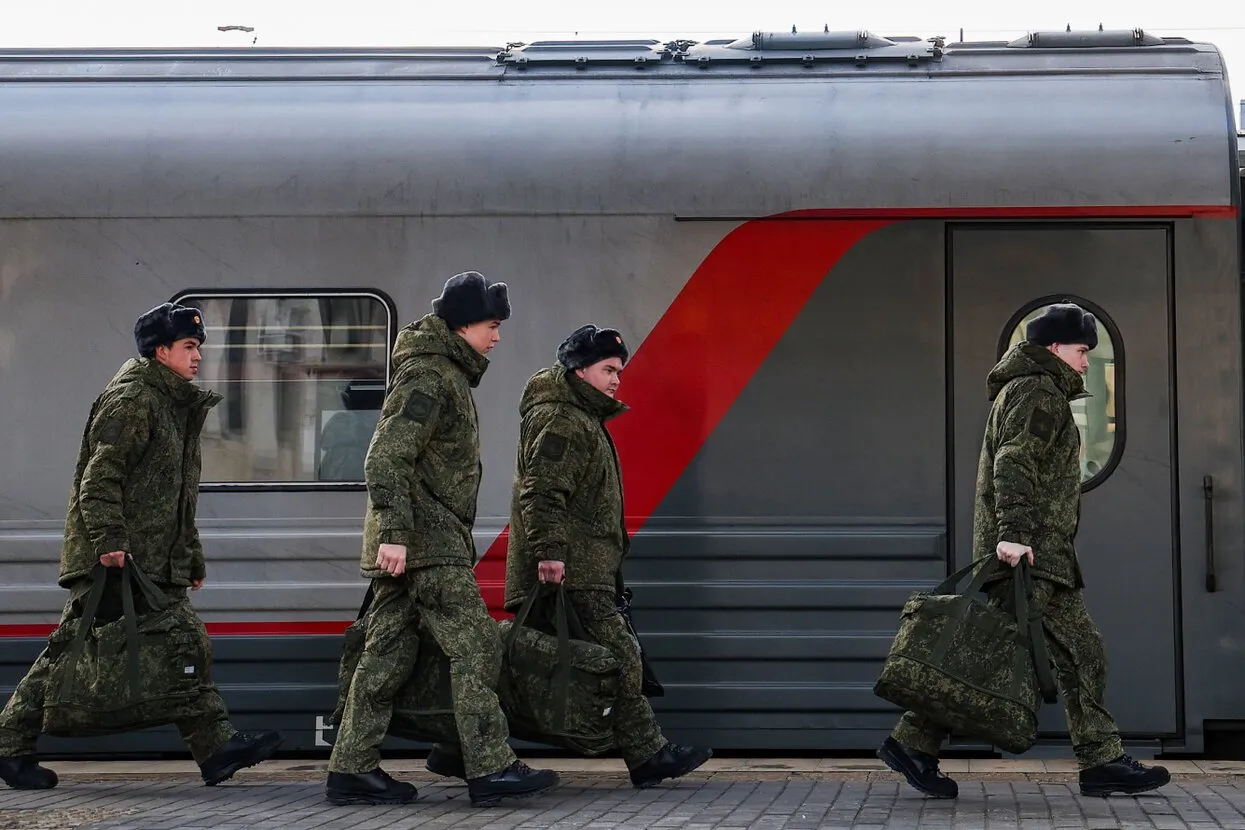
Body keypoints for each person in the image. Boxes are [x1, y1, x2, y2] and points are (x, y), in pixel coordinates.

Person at [877, 302, 1171, 799]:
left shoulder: (1029, 389)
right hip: (1031, 556)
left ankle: (913, 743)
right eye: (1081, 351)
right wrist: (1014, 534)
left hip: (1033, 555)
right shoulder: (1039, 391)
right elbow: (1015, 463)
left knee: (984, 653)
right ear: (1054, 348)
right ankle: (1100, 760)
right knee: (1083, 653)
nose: (1085, 362)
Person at [0, 302, 283, 790]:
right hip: (120, 559)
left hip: (152, 559)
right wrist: (109, 542)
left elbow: (176, 496)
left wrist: (189, 555)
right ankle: (8, 745)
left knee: (181, 642)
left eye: (199, 348)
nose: (198, 357)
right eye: (190, 347)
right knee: (75, 652)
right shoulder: (134, 400)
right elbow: (99, 479)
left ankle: (215, 747)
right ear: (161, 351)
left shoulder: (173, 405)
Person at [326, 271, 558, 808]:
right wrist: (394, 533)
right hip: (425, 543)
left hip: (421, 540)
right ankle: (488, 763)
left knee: (385, 655)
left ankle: (352, 768)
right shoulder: (431, 376)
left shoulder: (442, 372)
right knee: (477, 642)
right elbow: (385, 456)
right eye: (491, 326)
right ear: (463, 324)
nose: (497, 337)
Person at [498, 324, 713, 788]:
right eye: (608, 369)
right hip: (569, 571)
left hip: (585, 569)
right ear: (580, 370)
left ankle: (457, 746)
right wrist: (551, 553)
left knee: (523, 665)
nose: (617, 379)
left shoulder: (581, 416)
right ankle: (647, 754)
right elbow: (543, 492)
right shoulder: (563, 419)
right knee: (619, 655)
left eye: (619, 371)